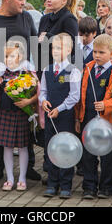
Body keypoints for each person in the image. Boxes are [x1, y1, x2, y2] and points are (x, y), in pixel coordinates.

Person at [0, 0, 40, 182]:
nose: (23, 3)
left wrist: (34, 77)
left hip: (23, 78)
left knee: (25, 123)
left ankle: (29, 167)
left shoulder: (26, 17)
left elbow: (35, 46)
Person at [75, 34, 112, 200]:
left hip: (107, 121)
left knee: (108, 157)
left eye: (101, 52)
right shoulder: (87, 68)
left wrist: (106, 105)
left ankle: (106, 187)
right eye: (95, 52)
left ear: (111, 54)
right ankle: (89, 187)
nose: (97, 55)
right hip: (87, 118)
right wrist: (78, 118)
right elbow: (80, 95)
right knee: (88, 155)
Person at [0, 41, 40, 191]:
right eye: (5, 56)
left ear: (20, 56)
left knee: (23, 146)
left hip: (22, 113)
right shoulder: (1, 73)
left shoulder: (27, 71)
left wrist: (28, 101)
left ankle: (22, 178)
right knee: (7, 147)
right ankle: (9, 178)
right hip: (5, 112)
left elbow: (38, 92)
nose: (8, 58)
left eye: (12, 55)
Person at [40, 33, 81, 199]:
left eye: (60, 48)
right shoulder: (47, 69)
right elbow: (43, 91)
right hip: (50, 116)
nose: (56, 51)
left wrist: (60, 108)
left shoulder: (74, 70)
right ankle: (52, 183)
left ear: (69, 50)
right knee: (51, 148)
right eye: (54, 48)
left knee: (65, 149)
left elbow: (74, 96)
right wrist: (43, 101)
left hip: (65, 117)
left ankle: (65, 184)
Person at [38, 0, 79, 69]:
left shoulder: (69, 19)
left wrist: (49, 37)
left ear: (64, 0)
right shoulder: (44, 18)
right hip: (43, 69)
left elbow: (72, 48)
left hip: (60, 71)